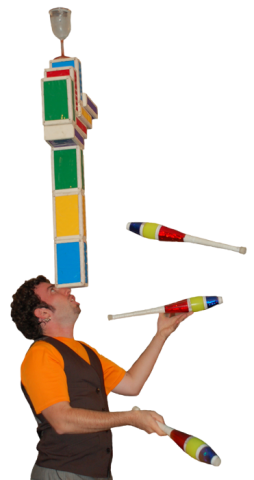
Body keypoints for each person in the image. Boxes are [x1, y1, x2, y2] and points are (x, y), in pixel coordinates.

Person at [10, 274, 194, 480]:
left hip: (97, 473)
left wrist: (161, 334)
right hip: (62, 473)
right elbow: (61, 421)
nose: (67, 289)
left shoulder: (86, 350)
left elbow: (132, 385)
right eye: (53, 290)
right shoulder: (41, 354)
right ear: (43, 313)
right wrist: (130, 418)